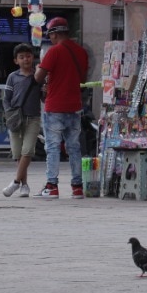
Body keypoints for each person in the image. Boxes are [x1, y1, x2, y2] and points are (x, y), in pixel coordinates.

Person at [34, 17, 89, 199]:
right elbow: (82, 79)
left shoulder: (53, 52)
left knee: (53, 147)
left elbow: (38, 78)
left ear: (55, 33)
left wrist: (39, 68)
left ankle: (52, 186)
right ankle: (77, 188)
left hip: (55, 106)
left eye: (50, 35)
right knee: (74, 147)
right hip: (74, 107)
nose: (50, 38)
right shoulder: (81, 52)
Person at [2, 44, 43, 198]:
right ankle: (24, 184)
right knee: (18, 153)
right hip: (15, 119)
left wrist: (44, 90)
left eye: (28, 56)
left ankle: (15, 183)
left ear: (32, 57)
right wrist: (9, 114)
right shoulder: (13, 77)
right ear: (16, 60)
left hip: (33, 118)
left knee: (27, 151)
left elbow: (44, 98)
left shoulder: (38, 76)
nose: (25, 59)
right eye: (21, 57)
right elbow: (6, 99)